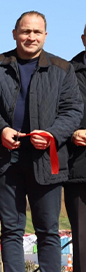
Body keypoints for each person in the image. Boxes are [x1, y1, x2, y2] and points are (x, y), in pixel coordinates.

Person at [0, 11, 82, 272]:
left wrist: (52, 135)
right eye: (25, 31)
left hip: (46, 160)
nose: (30, 37)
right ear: (14, 34)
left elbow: (73, 110)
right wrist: (0, 129)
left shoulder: (62, 68)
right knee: (11, 230)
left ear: (45, 35)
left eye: (36, 32)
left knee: (48, 230)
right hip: (6, 159)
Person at [68, 22, 86, 272]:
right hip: (79, 167)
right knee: (81, 240)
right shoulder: (67, 72)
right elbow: (55, 113)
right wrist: (70, 131)